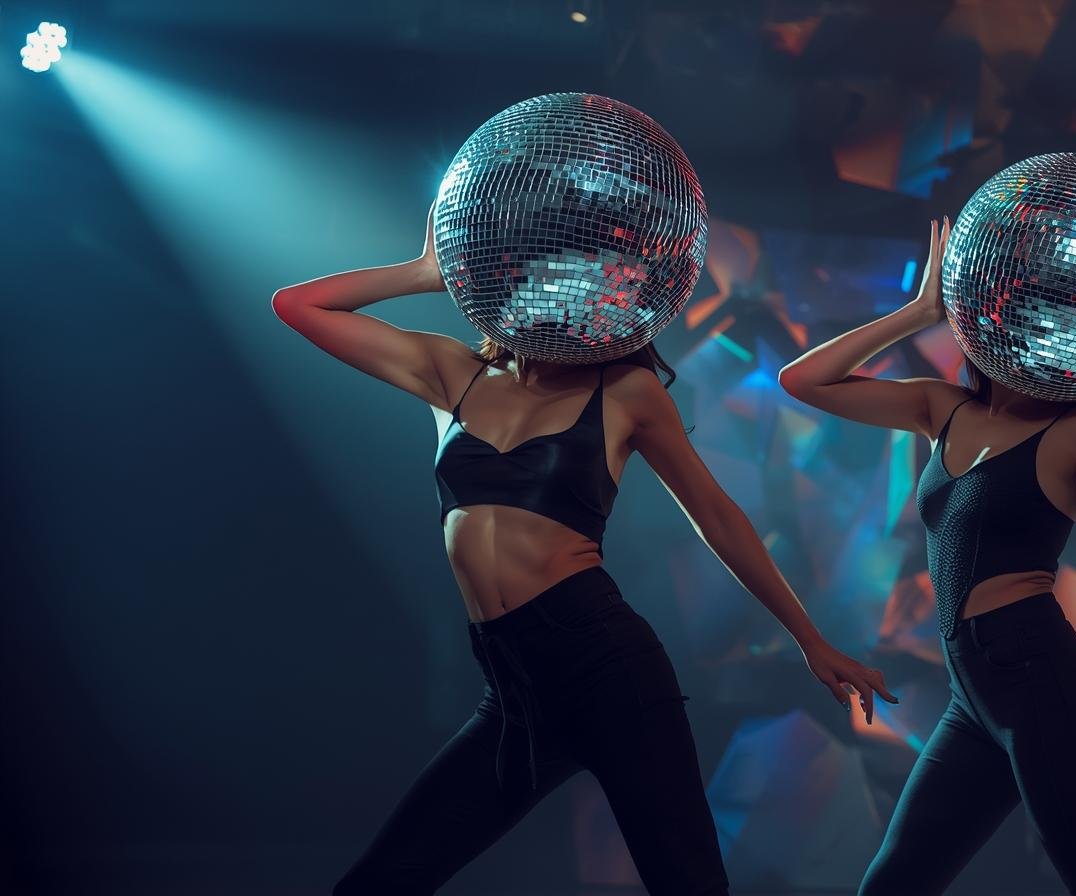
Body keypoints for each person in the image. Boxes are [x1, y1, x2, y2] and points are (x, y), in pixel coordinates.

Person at [272, 206, 896, 896]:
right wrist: (422, 273)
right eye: (548, 278)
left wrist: (810, 640)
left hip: (604, 668)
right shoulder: (452, 373)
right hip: (514, 691)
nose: (563, 296)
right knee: (378, 883)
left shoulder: (625, 392)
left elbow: (718, 517)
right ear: (513, 290)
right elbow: (298, 306)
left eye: (585, 288)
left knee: (689, 886)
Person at [779, 217, 1076, 895]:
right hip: (972, 694)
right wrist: (918, 310)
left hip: (1041, 683)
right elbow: (803, 380)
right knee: (891, 885)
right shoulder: (940, 408)